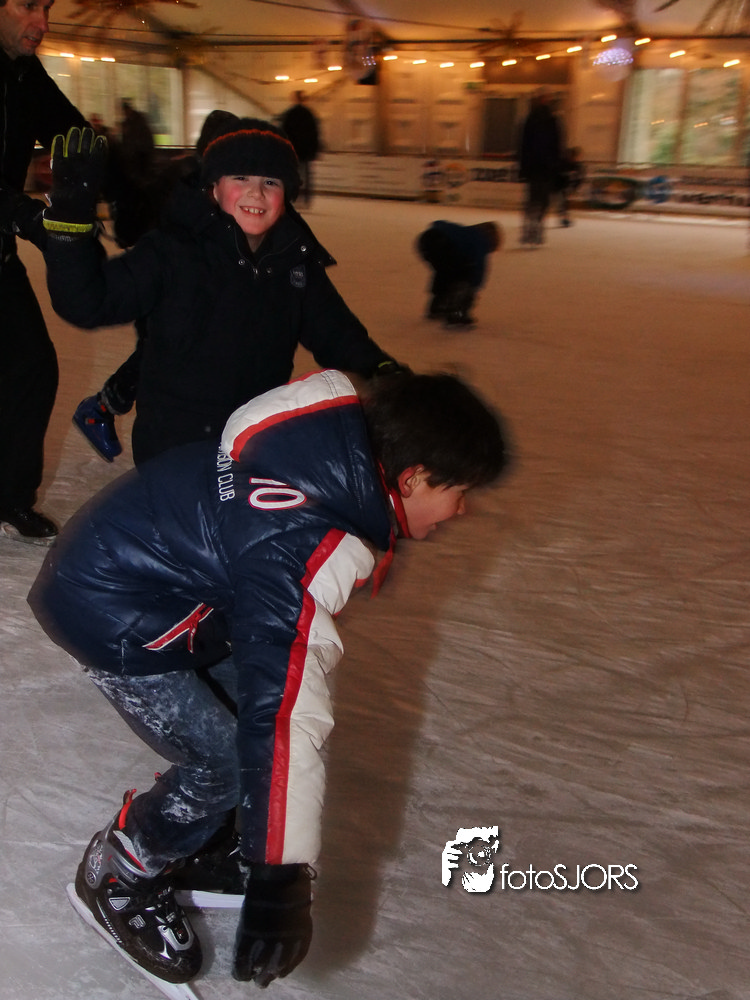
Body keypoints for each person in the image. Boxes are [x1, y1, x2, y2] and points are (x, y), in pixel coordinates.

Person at [28, 367, 510, 988]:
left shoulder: (319, 453)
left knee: (251, 721)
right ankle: (120, 871)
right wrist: (279, 876)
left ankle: (210, 843)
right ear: (413, 477)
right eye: (460, 491)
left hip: (156, 583)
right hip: (106, 610)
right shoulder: (299, 541)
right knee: (228, 758)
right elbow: (282, 712)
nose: (462, 510)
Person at [43, 118, 404, 467]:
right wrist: (69, 226)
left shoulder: (294, 263)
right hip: (174, 449)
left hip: (252, 444)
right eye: (240, 177)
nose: (256, 192)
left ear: (287, 194)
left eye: (271, 181)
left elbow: (336, 332)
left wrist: (380, 370)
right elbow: (87, 302)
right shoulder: (172, 251)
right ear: (213, 187)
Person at [72, 109, 241, 462]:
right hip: (162, 282)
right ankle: (102, 409)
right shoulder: (186, 179)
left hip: (190, 284)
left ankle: (107, 409)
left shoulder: (217, 181)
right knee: (160, 348)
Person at [0, 0, 89, 543]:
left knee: (32, 365)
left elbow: (75, 135)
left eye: (48, 7)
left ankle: (11, 494)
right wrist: (24, 214)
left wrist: (137, 187)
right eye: (29, 5)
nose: (43, 23)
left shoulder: (25, 75)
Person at [416, 220, 501, 327]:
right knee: (463, 277)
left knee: (445, 274)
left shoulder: (466, 232)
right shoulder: (480, 240)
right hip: (443, 244)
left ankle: (438, 306)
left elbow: (439, 223)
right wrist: (473, 286)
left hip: (425, 240)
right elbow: (478, 267)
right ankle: (457, 313)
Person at [517, 91, 563, 246]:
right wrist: (557, 168)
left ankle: (529, 229)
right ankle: (536, 228)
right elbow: (557, 146)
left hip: (533, 168)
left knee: (532, 200)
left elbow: (523, 145)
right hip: (547, 168)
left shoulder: (530, 119)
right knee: (543, 201)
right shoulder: (552, 120)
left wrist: (523, 168)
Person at [279, 90, 321, 208]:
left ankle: (291, 197)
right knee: (305, 174)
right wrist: (314, 150)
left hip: (292, 150)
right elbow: (314, 134)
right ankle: (305, 198)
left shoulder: (290, 114)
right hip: (305, 150)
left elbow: (284, 132)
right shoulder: (309, 114)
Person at [556, 145, 585, 227]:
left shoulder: (578, 166)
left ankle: (564, 217)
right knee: (563, 201)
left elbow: (580, 178)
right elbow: (559, 175)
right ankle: (564, 217)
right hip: (562, 185)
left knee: (564, 202)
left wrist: (575, 188)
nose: (577, 158)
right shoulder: (564, 164)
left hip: (569, 186)